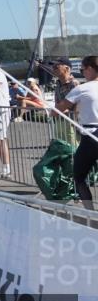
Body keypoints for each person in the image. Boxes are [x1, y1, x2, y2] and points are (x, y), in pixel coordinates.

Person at [56, 55, 98, 211]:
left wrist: (52, 111)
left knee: (79, 177)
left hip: (91, 136)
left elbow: (59, 108)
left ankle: (90, 212)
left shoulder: (82, 88)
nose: (82, 72)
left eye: (82, 69)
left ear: (90, 69)